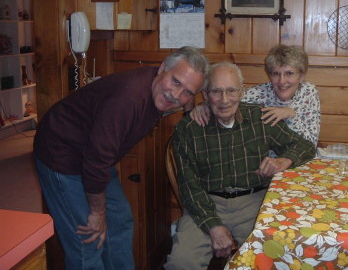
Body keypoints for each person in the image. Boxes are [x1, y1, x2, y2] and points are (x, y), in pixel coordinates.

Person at [33, 46, 209, 270]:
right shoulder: (129, 99)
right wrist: (97, 213)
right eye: (175, 82)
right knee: (88, 241)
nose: (176, 95)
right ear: (163, 68)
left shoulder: (162, 87)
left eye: (187, 92)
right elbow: (96, 161)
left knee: (120, 222)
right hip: (61, 153)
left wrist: (189, 109)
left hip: (95, 156)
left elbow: (185, 89)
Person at [164, 62, 315, 270]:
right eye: (216, 91)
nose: (225, 100)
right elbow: (189, 187)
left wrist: (284, 160)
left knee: (280, 258)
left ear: (241, 91)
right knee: (181, 262)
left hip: (255, 202)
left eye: (231, 90)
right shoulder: (189, 129)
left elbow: (304, 146)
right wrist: (213, 226)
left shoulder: (259, 118)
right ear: (206, 95)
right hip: (206, 203)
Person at [190, 45, 320, 147]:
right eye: (275, 74)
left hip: (301, 159)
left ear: (301, 76)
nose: (282, 81)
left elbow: (311, 143)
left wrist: (291, 115)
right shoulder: (258, 94)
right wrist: (205, 105)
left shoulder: (309, 93)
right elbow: (229, 99)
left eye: (289, 73)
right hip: (267, 166)